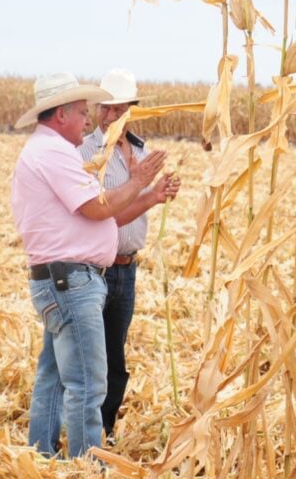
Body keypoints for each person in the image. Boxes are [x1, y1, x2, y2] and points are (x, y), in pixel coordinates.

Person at [10, 71, 168, 459]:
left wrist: (145, 192)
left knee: (54, 376)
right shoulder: (55, 153)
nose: (88, 118)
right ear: (61, 114)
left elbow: (96, 213)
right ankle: (87, 472)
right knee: (87, 384)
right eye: (83, 111)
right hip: (71, 283)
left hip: (63, 280)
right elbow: (98, 208)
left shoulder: (46, 149)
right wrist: (138, 181)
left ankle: (41, 457)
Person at [79, 68, 180, 443]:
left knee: (115, 360)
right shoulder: (85, 152)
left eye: (116, 109)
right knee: (94, 360)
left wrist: (160, 191)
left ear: (129, 111)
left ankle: (103, 432)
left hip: (127, 268)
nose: (108, 116)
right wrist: (147, 193)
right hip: (95, 269)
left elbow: (135, 203)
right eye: (103, 108)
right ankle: (87, 436)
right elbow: (105, 213)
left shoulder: (139, 150)